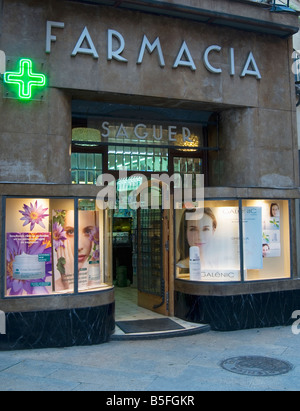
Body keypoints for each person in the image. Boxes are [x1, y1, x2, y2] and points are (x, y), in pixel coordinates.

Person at [54, 210, 99, 291]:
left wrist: (92, 282)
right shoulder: (51, 288)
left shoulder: (101, 281)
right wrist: (70, 284)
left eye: (88, 231)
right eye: (70, 232)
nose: (79, 247)